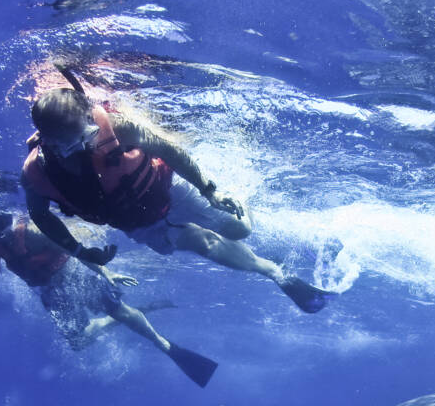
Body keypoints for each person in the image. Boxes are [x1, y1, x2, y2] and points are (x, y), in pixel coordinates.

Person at [20, 68, 330, 314]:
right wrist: (78, 250)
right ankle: (275, 273)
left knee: (240, 230)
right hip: (140, 223)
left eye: (85, 137)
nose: (77, 150)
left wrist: (210, 191)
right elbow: (40, 215)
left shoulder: (118, 127)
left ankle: (240, 192)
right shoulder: (35, 171)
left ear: (91, 120)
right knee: (204, 245)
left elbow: (169, 150)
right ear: (45, 139)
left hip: (167, 187)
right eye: (63, 146)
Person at [0, 209, 218, 387]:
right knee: (78, 342)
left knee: (118, 311)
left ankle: (166, 346)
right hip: (50, 292)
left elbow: (78, 252)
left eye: (4, 230)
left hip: (74, 274)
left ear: (11, 221)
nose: (1, 236)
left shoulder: (34, 232)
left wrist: (107, 273)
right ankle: (143, 309)